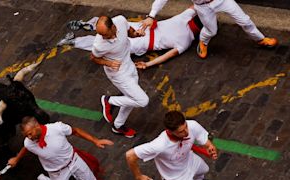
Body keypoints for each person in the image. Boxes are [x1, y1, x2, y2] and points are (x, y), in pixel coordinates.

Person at [125, 110, 219, 180]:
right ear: (169, 131)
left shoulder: (192, 125)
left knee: (205, 169)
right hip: (177, 179)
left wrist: (209, 146)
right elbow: (130, 155)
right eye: (181, 132)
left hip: (189, 161)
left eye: (186, 127)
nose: (186, 132)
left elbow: (204, 140)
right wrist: (139, 176)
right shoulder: (159, 145)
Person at [58, 7, 203, 69]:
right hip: (144, 43)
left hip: (142, 27)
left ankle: (89, 24)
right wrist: (148, 64)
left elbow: (196, 5)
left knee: (111, 25)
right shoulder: (186, 41)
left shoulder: (185, 17)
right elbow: (166, 56)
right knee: (106, 45)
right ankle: (73, 41)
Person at [8, 116, 114, 180]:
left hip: (74, 161)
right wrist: (16, 159)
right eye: (27, 135)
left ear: (37, 125)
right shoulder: (28, 142)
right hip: (57, 173)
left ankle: (77, 175)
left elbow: (76, 131)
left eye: (30, 133)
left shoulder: (57, 128)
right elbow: (26, 147)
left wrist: (95, 140)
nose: (29, 137)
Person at [140, 0, 278, 59]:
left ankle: (260, 39)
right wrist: (151, 15)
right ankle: (203, 42)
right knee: (211, 31)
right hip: (202, 7)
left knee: (245, 20)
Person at [90, 15, 149, 138]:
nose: (103, 37)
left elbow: (130, 32)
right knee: (142, 101)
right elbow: (94, 58)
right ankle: (109, 101)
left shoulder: (121, 21)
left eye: (105, 34)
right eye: (101, 34)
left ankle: (118, 126)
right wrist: (108, 63)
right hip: (118, 74)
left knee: (131, 98)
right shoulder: (99, 45)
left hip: (129, 65)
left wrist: (136, 34)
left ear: (112, 26)